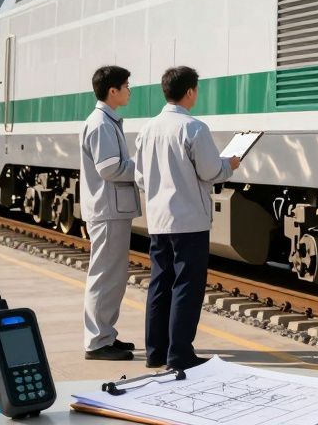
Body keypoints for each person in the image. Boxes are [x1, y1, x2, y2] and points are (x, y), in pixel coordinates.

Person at [135, 66, 240, 369]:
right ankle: (179, 354)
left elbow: (140, 178)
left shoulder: (147, 129)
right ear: (190, 91)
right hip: (189, 221)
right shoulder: (194, 128)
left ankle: (156, 352)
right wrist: (230, 164)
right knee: (186, 286)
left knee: (159, 283)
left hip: (158, 220)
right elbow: (210, 171)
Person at [81, 65, 139, 361]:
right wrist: (142, 168)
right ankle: (97, 342)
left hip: (111, 209)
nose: (130, 90)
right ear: (112, 91)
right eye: (127, 86)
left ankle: (105, 335)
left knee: (111, 277)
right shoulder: (102, 124)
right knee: (105, 277)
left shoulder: (106, 121)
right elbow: (109, 168)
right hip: (108, 210)